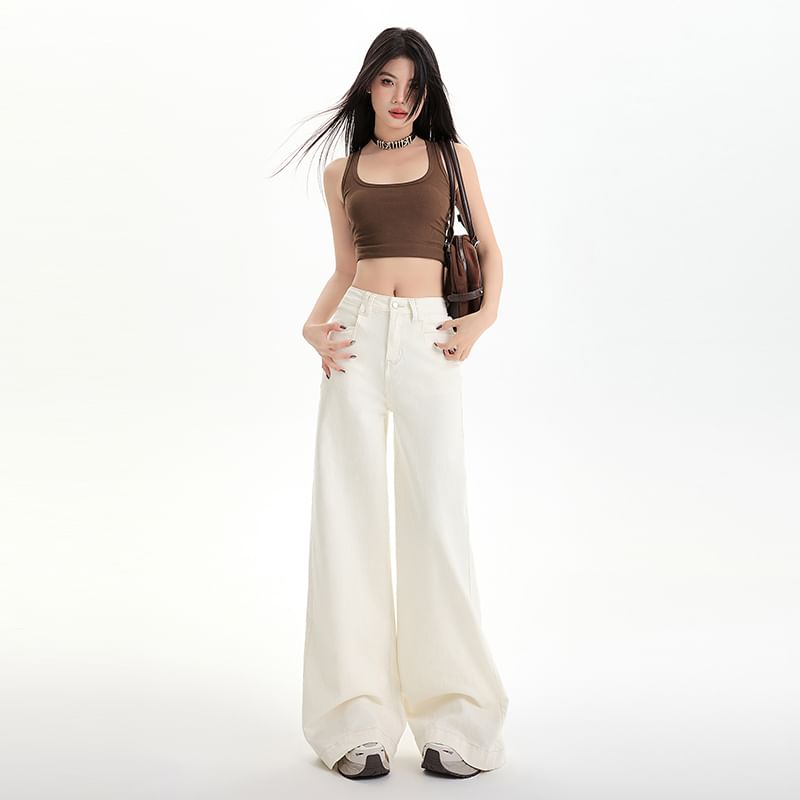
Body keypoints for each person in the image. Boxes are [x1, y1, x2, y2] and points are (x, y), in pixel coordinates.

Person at [276, 27, 509, 779]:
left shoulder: (452, 158)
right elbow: (345, 266)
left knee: (437, 516)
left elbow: (490, 249)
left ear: (425, 92)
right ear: (368, 86)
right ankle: (355, 721)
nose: (400, 97)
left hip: (431, 339)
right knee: (347, 518)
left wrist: (480, 321)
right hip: (353, 338)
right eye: (387, 81)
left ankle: (458, 721)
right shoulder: (340, 172)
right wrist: (311, 327)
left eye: (412, 85)